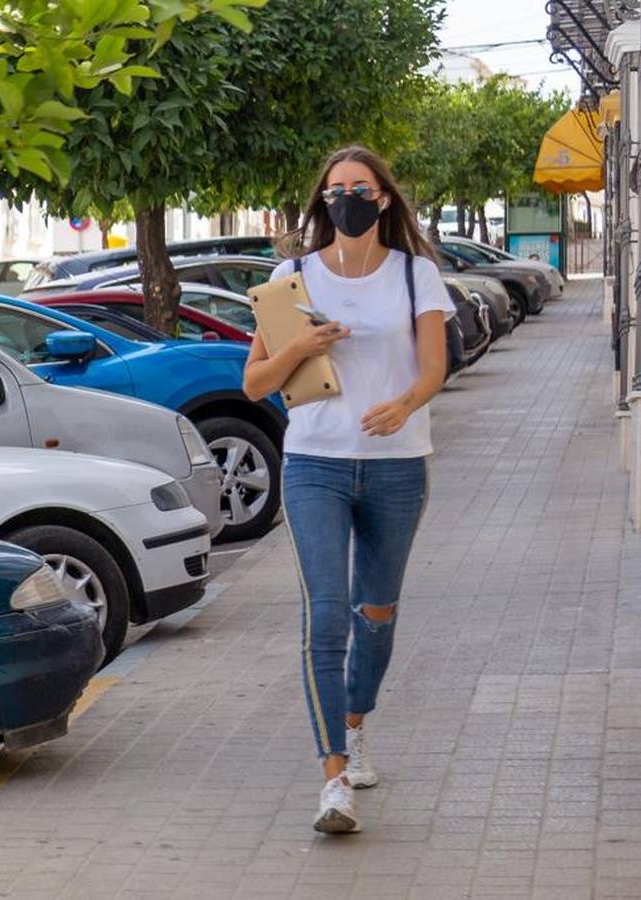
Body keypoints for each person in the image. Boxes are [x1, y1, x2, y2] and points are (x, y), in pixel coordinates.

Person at [243, 145, 454, 834]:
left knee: (377, 612)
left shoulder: (414, 274)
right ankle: (333, 777)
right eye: (335, 190)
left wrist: (404, 404)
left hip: (397, 464)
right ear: (321, 200)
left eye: (359, 188)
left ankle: (356, 722)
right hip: (314, 463)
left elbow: (432, 367)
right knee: (326, 615)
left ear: (383, 198)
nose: (346, 200)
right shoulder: (292, 276)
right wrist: (301, 348)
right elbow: (256, 384)